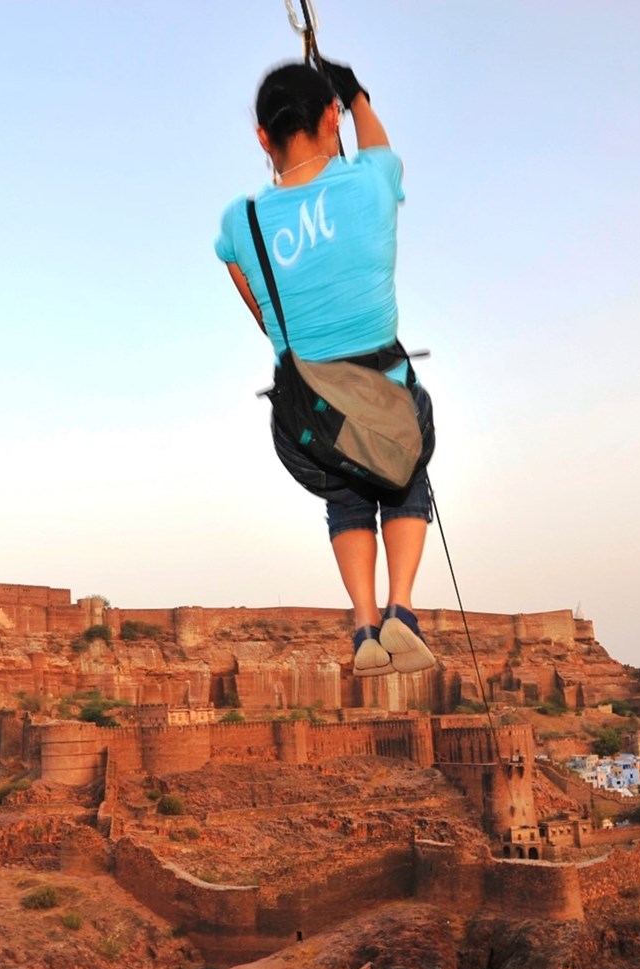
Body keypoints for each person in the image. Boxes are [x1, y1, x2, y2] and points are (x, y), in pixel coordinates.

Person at [214, 58, 436, 678]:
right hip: (382, 394)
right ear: (331, 117)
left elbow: (243, 282)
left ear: (263, 137)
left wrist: (284, 331)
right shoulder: (369, 184)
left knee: (346, 497)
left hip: (307, 423)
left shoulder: (244, 220)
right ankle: (401, 612)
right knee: (402, 469)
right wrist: (357, 93)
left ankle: (364, 626)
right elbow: (379, 148)